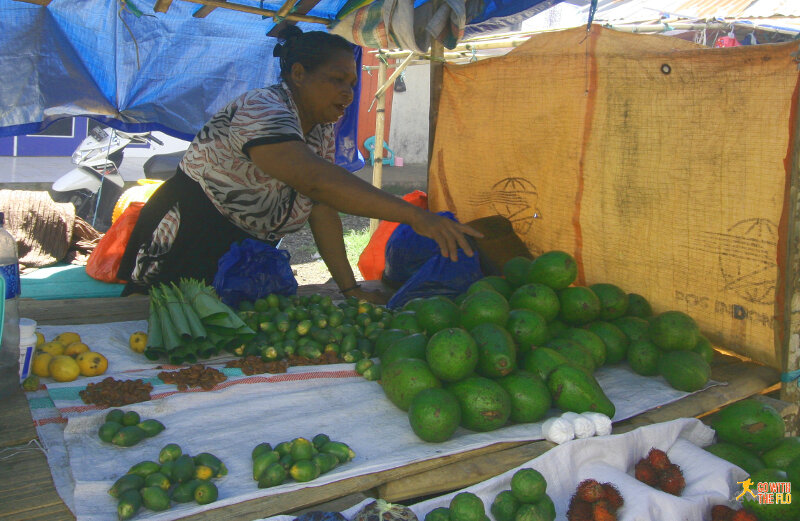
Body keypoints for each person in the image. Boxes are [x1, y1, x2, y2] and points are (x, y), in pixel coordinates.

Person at [117, 26, 481, 303]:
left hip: (244, 250)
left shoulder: (320, 130)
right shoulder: (263, 109)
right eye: (336, 80)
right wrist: (416, 215)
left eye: (352, 84)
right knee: (167, 332)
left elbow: (320, 209)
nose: (348, 94)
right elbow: (317, 182)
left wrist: (350, 288)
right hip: (189, 236)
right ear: (299, 74)